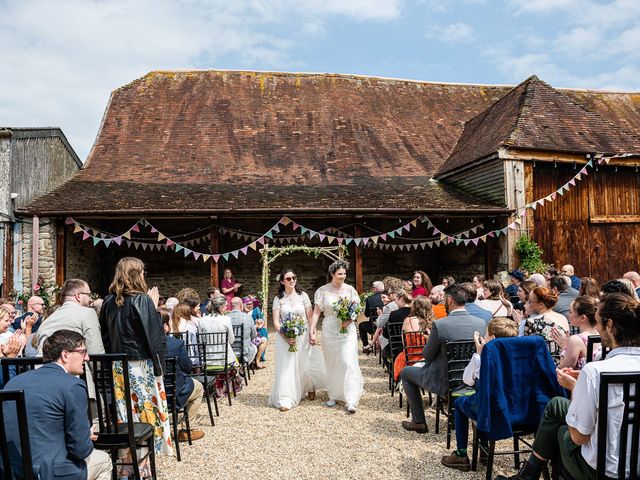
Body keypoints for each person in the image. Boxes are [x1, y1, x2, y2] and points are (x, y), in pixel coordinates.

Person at [496, 293, 640, 480]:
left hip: (604, 470)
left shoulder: (595, 371)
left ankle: (530, 474)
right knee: (557, 405)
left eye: (597, 322)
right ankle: (529, 474)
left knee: (561, 429)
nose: (596, 327)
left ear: (610, 325)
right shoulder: (596, 372)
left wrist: (575, 389)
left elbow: (579, 437)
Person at [4, 330, 112, 480]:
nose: (87, 358)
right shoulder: (73, 385)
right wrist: (86, 436)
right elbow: (80, 450)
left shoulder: (13, 382)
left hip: (11, 471)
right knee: (104, 460)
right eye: (83, 352)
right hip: (52, 472)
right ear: (65, 355)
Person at [99, 257, 172, 456]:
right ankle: (144, 457)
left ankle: (128, 457)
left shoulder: (108, 301)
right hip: (141, 364)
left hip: (118, 365)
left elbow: (105, 336)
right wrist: (154, 308)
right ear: (137, 274)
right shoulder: (142, 299)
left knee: (126, 410)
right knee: (147, 408)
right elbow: (154, 336)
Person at [400, 284, 486, 433]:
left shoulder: (440, 325)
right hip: (472, 380)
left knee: (406, 372)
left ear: (450, 300)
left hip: (443, 379)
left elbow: (427, 356)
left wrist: (429, 341)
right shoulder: (481, 323)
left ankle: (419, 421)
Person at [440, 317, 518, 471]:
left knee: (460, 403)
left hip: (490, 408)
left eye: (486, 335)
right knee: (481, 402)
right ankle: (483, 445)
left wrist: (478, 353)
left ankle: (462, 453)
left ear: (492, 339)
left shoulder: (482, 359)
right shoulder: (518, 358)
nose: (483, 337)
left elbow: (467, 380)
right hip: (513, 407)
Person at [310, 260, 363, 413]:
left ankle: (351, 398)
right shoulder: (322, 291)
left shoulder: (350, 290)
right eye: (340, 274)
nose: (343, 276)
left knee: (347, 361)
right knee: (332, 361)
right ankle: (334, 394)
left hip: (347, 330)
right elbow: (316, 313)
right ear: (332, 274)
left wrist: (350, 319)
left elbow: (357, 310)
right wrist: (312, 330)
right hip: (329, 329)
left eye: (345, 273)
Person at [269, 267, 326, 411]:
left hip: (303, 334)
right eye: (288, 279)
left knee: (305, 362)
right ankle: (286, 397)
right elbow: (276, 321)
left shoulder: (303, 296)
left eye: (294, 278)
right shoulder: (278, 299)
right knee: (287, 366)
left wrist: (313, 333)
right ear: (282, 281)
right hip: (285, 337)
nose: (292, 280)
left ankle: (309, 386)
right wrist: (285, 336)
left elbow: (311, 317)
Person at [159, 309, 205, 442]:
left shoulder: (141, 346)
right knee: (199, 388)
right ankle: (187, 429)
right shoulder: (175, 344)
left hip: (151, 395)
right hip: (172, 393)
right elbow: (188, 367)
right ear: (166, 327)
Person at [36, 279, 104, 357]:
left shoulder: (48, 320)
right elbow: (95, 352)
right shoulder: (87, 313)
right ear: (78, 296)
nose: (91, 299)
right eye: (89, 295)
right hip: (72, 367)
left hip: (42, 367)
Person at [393, 296, 434, 381]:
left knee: (399, 357)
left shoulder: (408, 320)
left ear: (414, 307)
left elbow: (404, 344)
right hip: (429, 358)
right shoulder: (433, 321)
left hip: (411, 357)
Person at [551, 296, 599, 370]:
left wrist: (564, 346)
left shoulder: (576, 340)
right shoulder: (602, 335)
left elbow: (565, 369)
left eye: (570, 312)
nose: (568, 315)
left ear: (582, 318)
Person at [522, 287, 570, 351]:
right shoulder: (562, 318)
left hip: (542, 359)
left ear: (541, 305)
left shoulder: (531, 322)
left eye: (530, 301)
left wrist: (520, 322)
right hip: (561, 357)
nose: (528, 303)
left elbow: (524, 346)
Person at [228, 296, 262, 365]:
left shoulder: (226, 318)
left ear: (231, 306)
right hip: (244, 354)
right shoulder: (248, 317)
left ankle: (236, 368)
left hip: (229, 354)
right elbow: (254, 336)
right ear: (241, 305)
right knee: (254, 347)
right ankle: (243, 367)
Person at [381, 288, 412, 361]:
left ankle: (394, 371)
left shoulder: (394, 314)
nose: (395, 303)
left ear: (401, 299)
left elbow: (386, 334)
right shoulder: (415, 312)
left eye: (395, 300)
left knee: (384, 353)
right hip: (414, 343)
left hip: (397, 345)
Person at [361, 281, 385, 354]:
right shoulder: (387, 297)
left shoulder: (370, 299)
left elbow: (367, 314)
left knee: (361, 325)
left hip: (374, 327)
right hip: (387, 327)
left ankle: (367, 347)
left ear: (375, 289)